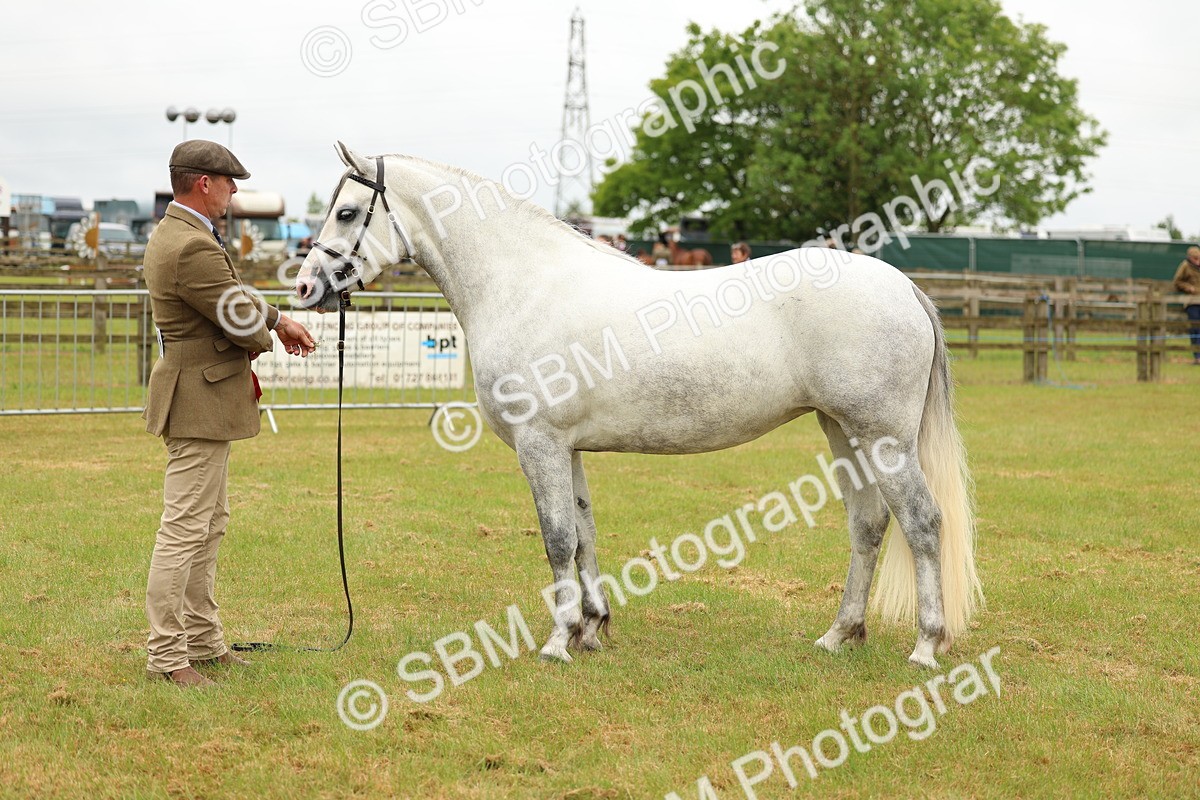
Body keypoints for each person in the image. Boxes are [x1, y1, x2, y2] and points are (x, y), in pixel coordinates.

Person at [142, 140, 316, 688]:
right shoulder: (191, 245)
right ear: (202, 183)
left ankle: (204, 641)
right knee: (185, 529)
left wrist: (277, 315)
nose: (234, 191)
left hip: (202, 397)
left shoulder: (183, 234)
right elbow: (237, 319)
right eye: (228, 182)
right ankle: (168, 655)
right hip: (199, 398)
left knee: (208, 525)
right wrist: (268, 331)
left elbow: (230, 294)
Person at [1174, 246, 1200, 365]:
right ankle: (1197, 356)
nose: (1197, 260)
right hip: (1192, 302)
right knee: (1195, 329)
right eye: (1195, 258)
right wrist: (1188, 288)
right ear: (1190, 258)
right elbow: (1177, 282)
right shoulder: (1185, 266)